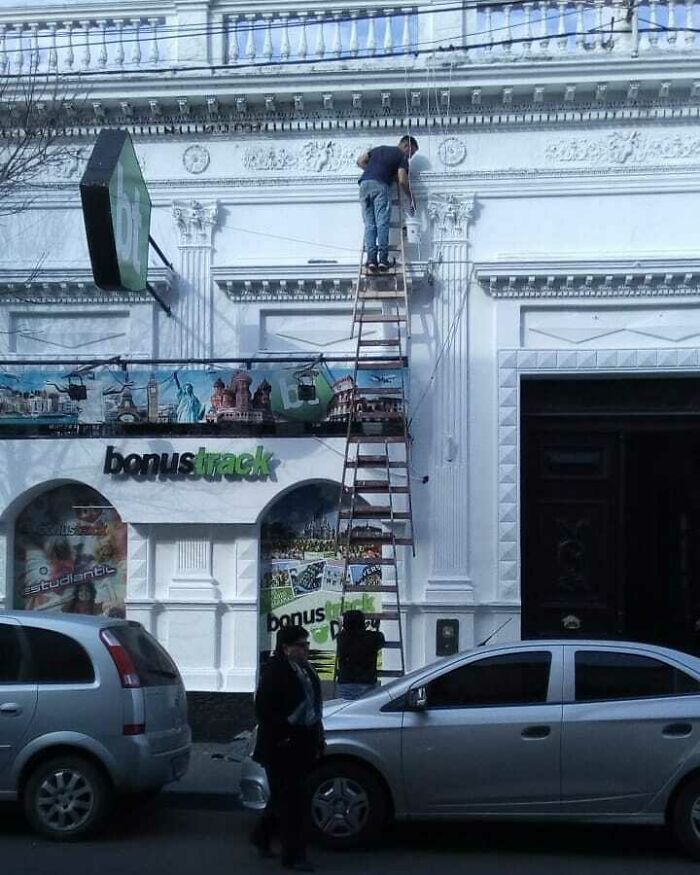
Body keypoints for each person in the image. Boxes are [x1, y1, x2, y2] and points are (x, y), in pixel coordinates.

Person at [251, 625, 324, 872]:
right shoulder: (275, 672)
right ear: (286, 648)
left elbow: (314, 706)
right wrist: (283, 734)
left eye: (307, 645)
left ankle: (261, 836)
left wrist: (318, 737)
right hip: (281, 746)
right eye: (301, 645)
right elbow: (264, 711)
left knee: (285, 798)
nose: (306, 649)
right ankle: (294, 856)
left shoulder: (305, 669)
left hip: (303, 743)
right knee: (294, 803)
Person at [356, 135, 418, 274]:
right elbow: (402, 180)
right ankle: (383, 260)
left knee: (370, 224)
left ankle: (372, 260)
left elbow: (360, 161)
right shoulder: (401, 157)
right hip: (380, 187)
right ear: (406, 146)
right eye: (411, 153)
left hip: (364, 185)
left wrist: (373, 171)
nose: (410, 157)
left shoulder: (379, 149)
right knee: (382, 223)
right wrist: (412, 197)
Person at [336, 609, 385, 700]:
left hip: (346, 682)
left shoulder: (341, 638)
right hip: (367, 683)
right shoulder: (372, 638)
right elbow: (381, 638)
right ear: (362, 623)